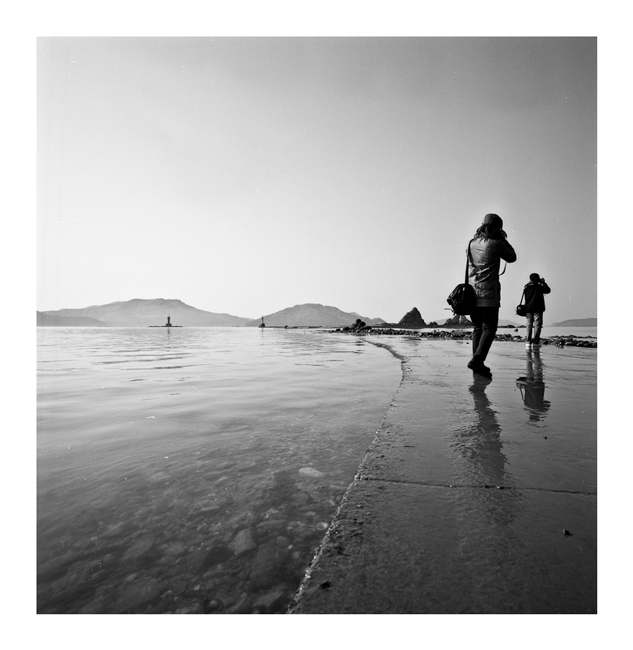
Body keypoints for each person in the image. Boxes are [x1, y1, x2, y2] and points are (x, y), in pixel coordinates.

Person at [466, 213, 517, 378]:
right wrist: (502, 238)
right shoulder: (496, 243)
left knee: (478, 328)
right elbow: (512, 257)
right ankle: (477, 360)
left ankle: (477, 363)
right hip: (488, 293)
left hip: (471, 293)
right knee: (489, 327)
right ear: (498, 228)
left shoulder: (471, 243)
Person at [523, 273, 551, 348]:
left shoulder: (526, 287)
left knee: (528, 325)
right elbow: (548, 290)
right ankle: (536, 341)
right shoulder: (539, 287)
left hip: (528, 308)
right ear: (537, 279)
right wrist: (543, 282)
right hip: (538, 308)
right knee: (537, 325)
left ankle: (528, 341)